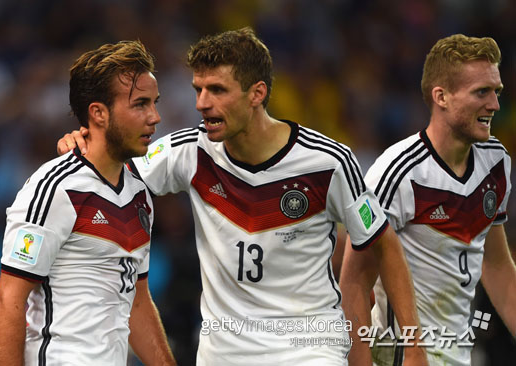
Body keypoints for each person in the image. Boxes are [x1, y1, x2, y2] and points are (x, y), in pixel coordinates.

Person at [58, 28, 427, 365]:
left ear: (257, 93)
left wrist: (414, 347)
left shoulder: (328, 162)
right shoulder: (189, 152)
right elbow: (110, 170)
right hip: (224, 354)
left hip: (309, 349)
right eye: (197, 89)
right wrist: (84, 143)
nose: (202, 103)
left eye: (217, 90)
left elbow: (384, 244)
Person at [0, 40, 176, 366]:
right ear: (98, 113)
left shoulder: (139, 195)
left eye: (154, 103)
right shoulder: (56, 188)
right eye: (140, 105)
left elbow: (136, 303)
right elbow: (10, 298)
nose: (156, 117)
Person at [340, 34, 516, 366]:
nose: (494, 104)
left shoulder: (496, 163)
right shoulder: (395, 173)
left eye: (497, 92)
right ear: (442, 97)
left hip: (461, 355)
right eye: (482, 92)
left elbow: (496, 265)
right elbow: (353, 282)